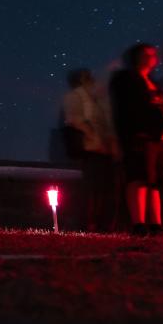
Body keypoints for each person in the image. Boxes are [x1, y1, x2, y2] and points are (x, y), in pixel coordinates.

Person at [109, 43, 163, 237]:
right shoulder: (126, 80)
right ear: (138, 57)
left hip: (159, 139)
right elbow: (127, 109)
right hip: (139, 137)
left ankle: (156, 225)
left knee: (154, 182)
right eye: (149, 53)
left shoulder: (153, 83)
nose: (154, 57)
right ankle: (139, 224)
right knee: (138, 178)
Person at [61, 68, 118, 231]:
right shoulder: (77, 97)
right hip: (91, 149)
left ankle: (99, 224)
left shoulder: (94, 98)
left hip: (101, 149)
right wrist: (92, 134)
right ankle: (88, 223)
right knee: (92, 189)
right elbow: (74, 119)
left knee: (101, 189)